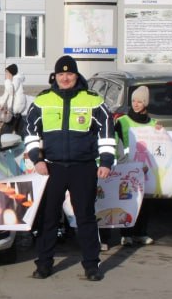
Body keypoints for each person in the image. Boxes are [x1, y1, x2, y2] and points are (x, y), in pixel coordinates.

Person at [24, 55, 114, 282]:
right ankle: (44, 264)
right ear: (55, 76)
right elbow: (31, 134)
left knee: (85, 217)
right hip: (52, 168)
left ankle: (91, 266)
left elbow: (106, 134)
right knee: (48, 218)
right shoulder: (42, 101)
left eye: (70, 74)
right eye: (61, 74)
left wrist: (105, 162)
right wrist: (37, 159)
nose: (65, 78)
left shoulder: (93, 101)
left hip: (83, 167)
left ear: (76, 75)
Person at [115, 86, 157, 247]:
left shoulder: (153, 123)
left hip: (146, 168)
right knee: (127, 199)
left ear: (145, 103)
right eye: (134, 101)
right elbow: (116, 141)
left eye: (140, 101)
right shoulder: (123, 121)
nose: (136, 104)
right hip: (127, 166)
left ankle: (141, 233)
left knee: (144, 202)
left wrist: (160, 132)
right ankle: (126, 234)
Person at [0, 64, 27, 141]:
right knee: (21, 133)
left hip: (13, 112)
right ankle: (25, 147)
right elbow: (6, 95)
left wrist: (7, 80)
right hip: (15, 112)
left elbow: (10, 91)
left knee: (4, 134)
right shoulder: (13, 81)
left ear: (11, 73)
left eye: (7, 72)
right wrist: (0, 103)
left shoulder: (16, 80)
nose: (6, 74)